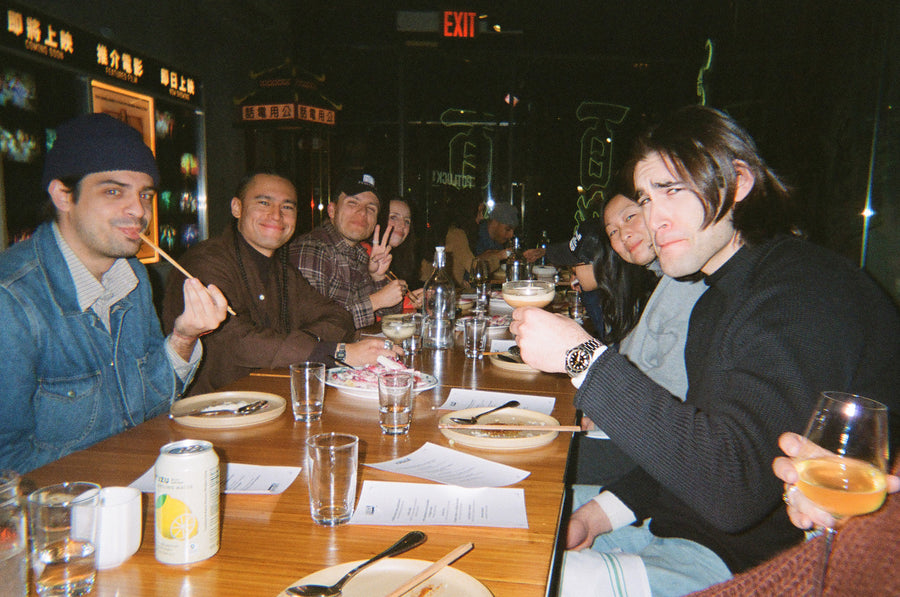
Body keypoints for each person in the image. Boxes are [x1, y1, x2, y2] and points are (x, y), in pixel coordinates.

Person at [510, 105, 900, 596]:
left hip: (736, 568)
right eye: (646, 198)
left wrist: (583, 357)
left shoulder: (804, 290)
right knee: (495, 516)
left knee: (506, 581)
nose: (654, 218)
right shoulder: (716, 300)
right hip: (662, 530)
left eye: (672, 189)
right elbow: (694, 445)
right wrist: (597, 516)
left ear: (738, 184)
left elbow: (731, 486)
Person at [0, 113, 227, 473]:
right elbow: (6, 465)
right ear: (63, 195)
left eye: (145, 194)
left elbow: (150, 408)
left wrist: (185, 336)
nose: (138, 211)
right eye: (113, 191)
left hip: (138, 482)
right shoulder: (11, 300)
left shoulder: (132, 276)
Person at [162, 171, 401, 395]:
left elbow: (339, 317)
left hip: (273, 397)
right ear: (237, 207)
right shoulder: (206, 263)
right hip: (214, 410)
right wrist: (332, 351)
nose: (276, 215)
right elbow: (236, 341)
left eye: (287, 207)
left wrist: (296, 345)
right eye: (264, 203)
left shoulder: (282, 270)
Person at [289, 172, 407, 328]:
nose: (363, 212)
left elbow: (390, 319)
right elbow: (312, 326)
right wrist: (375, 301)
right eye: (353, 203)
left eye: (371, 208)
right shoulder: (312, 249)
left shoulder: (360, 255)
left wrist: (378, 278)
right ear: (332, 210)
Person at [364, 197, 423, 312]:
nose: (402, 225)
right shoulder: (365, 252)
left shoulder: (399, 257)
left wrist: (412, 300)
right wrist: (408, 303)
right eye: (393, 217)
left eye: (407, 221)